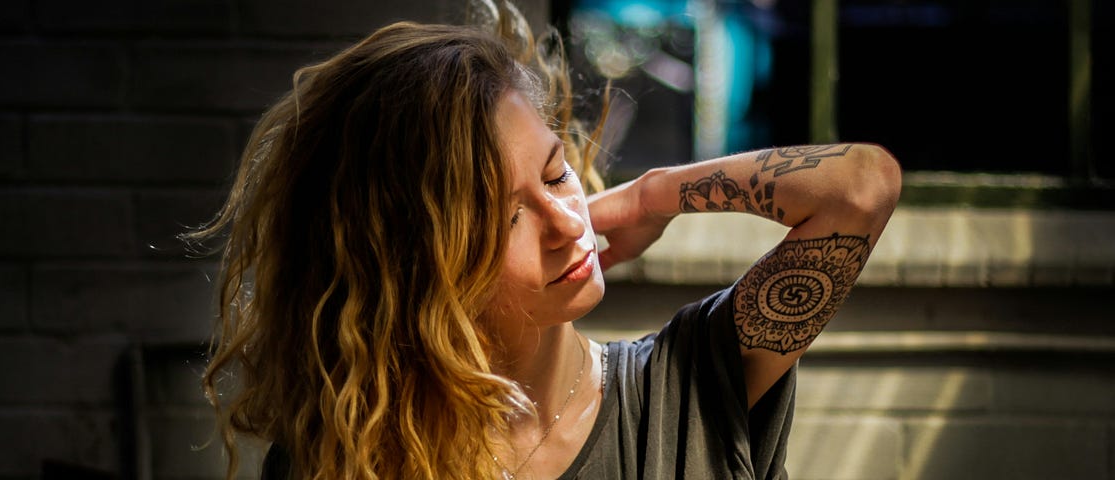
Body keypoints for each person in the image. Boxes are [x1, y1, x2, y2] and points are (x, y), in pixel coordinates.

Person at [188, 2, 900, 479]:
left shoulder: (689, 387)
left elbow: (860, 188)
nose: (567, 221)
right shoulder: (346, 457)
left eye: (558, 174)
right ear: (412, 269)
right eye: (506, 218)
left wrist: (655, 193)